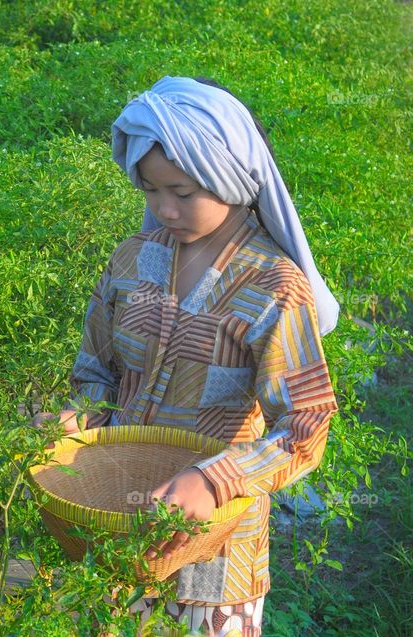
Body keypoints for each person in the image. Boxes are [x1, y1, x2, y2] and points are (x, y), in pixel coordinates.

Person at [31, 76, 340, 636]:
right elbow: (97, 373)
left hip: (215, 550)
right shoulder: (131, 263)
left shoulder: (272, 286)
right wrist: (78, 418)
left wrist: (216, 478)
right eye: (151, 190)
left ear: (229, 179)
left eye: (183, 191)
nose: (165, 208)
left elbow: (305, 425)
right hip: (114, 521)